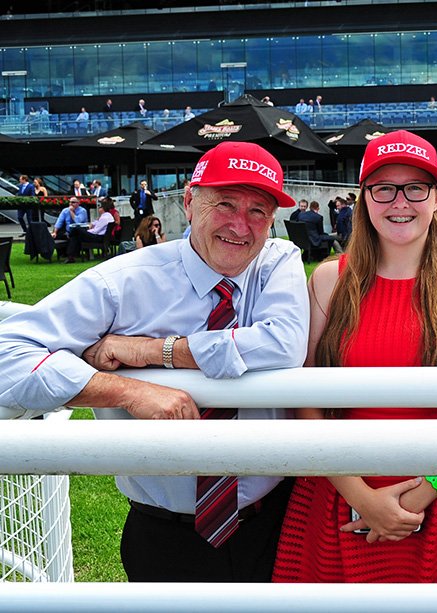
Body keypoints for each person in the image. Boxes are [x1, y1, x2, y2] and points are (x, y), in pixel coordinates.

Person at [0, 140, 309, 582]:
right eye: (224, 204)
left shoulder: (276, 259)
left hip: (271, 525)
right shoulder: (122, 282)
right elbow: (7, 354)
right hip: (165, 532)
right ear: (188, 202)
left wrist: (149, 351)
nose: (241, 225)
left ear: (272, 221)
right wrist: (127, 390)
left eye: (258, 210)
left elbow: (283, 344)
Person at [272, 130, 437, 583]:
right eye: (384, 188)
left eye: (415, 188)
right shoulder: (328, 281)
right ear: (364, 199)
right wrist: (360, 496)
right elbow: (306, 401)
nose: (400, 202)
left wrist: (424, 492)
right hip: (339, 491)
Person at [66, 198, 116, 263]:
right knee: (75, 236)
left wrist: (87, 231)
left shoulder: (104, 218)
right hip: (101, 236)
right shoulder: (107, 216)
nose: (98, 209)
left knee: (76, 229)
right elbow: (96, 223)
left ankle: (70, 253)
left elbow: (96, 231)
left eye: (100, 207)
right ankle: (70, 256)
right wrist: (91, 225)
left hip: (99, 237)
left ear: (103, 209)